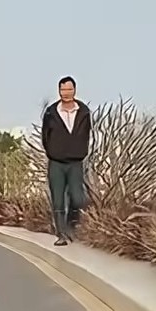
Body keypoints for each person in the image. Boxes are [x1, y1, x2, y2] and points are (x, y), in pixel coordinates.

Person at [40, 75, 92, 246]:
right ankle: (61, 234)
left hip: (76, 161)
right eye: (63, 89)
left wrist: (80, 150)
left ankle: (71, 224)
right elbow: (45, 136)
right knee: (58, 200)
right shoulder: (51, 112)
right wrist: (53, 151)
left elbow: (86, 133)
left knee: (78, 198)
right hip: (56, 162)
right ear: (59, 91)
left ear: (74, 90)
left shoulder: (83, 111)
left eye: (69, 89)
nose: (66, 93)